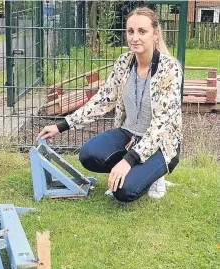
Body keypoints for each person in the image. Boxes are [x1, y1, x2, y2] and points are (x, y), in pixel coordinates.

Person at [37, 7, 183, 202]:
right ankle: (132, 171)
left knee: (123, 192)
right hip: (129, 134)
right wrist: (61, 125)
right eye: (130, 31)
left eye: (142, 31)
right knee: (88, 155)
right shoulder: (124, 62)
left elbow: (161, 125)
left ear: (155, 35)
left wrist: (128, 160)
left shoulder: (169, 69)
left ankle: (153, 176)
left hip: (160, 144)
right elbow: (102, 100)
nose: (135, 37)